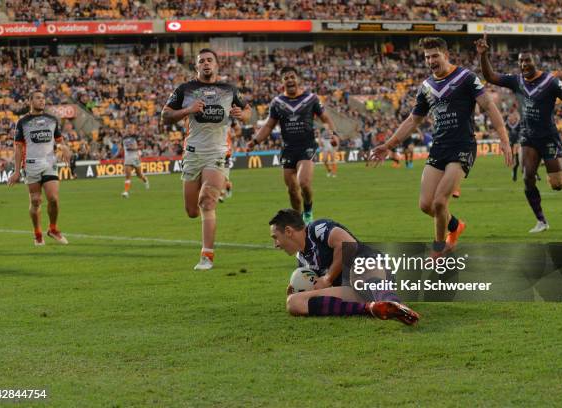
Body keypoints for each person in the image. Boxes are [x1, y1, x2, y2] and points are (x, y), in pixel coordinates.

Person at [371, 37, 512, 256]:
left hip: (463, 146)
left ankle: (438, 249)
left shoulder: (466, 77)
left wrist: (504, 139)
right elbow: (412, 120)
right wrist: (388, 145)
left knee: (439, 203)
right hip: (439, 147)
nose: (430, 60)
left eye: (435, 55)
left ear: (446, 55)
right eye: (427, 57)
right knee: (426, 205)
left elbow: (489, 106)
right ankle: (455, 226)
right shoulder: (426, 86)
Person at [476, 34, 562, 233]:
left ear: (535, 62)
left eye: (527, 60)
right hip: (528, 137)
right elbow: (490, 77)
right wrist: (483, 55)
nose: (523, 64)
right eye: (520, 61)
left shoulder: (550, 82)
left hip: (548, 137)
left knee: (557, 185)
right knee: (527, 178)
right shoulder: (516, 81)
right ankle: (542, 221)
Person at [161, 48, 251, 270]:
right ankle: (223, 185)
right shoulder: (185, 89)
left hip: (218, 152)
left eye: (210, 60)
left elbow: (248, 110)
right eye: (202, 61)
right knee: (192, 211)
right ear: (196, 67)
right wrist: (188, 110)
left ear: (217, 65)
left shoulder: (228, 89)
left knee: (207, 202)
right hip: (192, 153)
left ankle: (207, 256)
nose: (206, 64)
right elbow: (165, 116)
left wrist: (243, 115)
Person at [269, 208, 420, 325]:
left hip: (371, 270)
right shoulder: (301, 259)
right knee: (293, 303)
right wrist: (298, 291)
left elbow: (349, 246)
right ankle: (372, 308)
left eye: (275, 238)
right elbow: (318, 287)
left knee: (357, 270)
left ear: (288, 231)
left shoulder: (317, 229)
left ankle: (395, 304)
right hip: (351, 289)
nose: (275, 244)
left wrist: (328, 278)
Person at [248, 67, 337, 225]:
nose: (289, 80)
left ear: (298, 80)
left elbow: (325, 119)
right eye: (286, 78)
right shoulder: (277, 103)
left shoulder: (311, 98)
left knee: (304, 182)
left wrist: (333, 135)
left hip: (306, 146)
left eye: (292, 77)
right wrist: (255, 141)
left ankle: (308, 211)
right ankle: (298, 218)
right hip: (288, 149)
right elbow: (268, 126)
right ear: (282, 82)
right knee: (292, 190)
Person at [7, 90, 71, 246]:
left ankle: (53, 229)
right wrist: (16, 171)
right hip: (31, 165)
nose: (42, 101)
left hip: (49, 163)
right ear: (30, 101)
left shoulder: (52, 120)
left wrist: (65, 148)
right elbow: (19, 148)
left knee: (54, 199)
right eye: (38, 98)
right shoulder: (22, 122)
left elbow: (59, 141)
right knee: (36, 201)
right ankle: (37, 234)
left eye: (43, 98)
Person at [121, 124, 149, 198]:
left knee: (139, 175)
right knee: (127, 176)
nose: (129, 129)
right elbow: (122, 148)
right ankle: (126, 192)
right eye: (128, 128)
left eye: (130, 128)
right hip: (127, 159)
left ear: (133, 129)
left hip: (135, 158)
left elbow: (142, 146)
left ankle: (145, 180)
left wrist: (134, 148)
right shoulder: (124, 138)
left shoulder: (136, 137)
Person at [506, 112, 521, 182]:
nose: (512, 119)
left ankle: (514, 168)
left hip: (517, 143)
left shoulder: (518, 124)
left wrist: (517, 118)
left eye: (513, 118)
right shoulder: (508, 124)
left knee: (517, 159)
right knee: (511, 155)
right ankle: (512, 165)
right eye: (511, 117)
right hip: (511, 142)